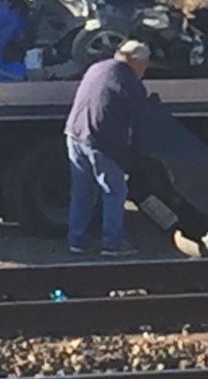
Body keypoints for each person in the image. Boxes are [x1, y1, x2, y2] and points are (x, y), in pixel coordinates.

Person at [64, 40, 150, 256]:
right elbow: (141, 115)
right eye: (145, 64)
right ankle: (113, 243)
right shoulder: (128, 79)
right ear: (137, 62)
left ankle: (77, 241)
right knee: (115, 191)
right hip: (100, 140)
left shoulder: (97, 67)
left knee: (82, 191)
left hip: (75, 133)